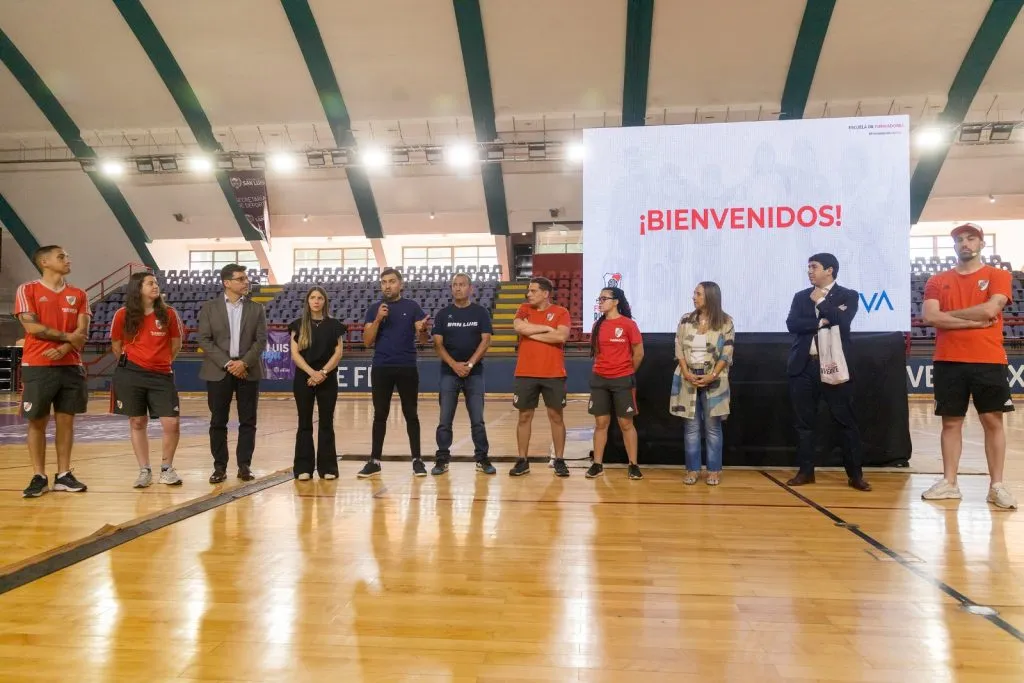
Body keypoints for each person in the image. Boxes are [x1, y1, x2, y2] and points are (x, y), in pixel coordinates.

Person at [920, 223, 1016, 508]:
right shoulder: (937, 280)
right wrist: (973, 321)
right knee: (950, 422)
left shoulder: (998, 275)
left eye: (971, 238)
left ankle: (996, 485)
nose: (965, 243)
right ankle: (950, 483)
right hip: (948, 360)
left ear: (981, 244)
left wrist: (949, 317)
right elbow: (930, 317)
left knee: (992, 421)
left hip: (988, 359)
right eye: (960, 239)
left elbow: (990, 310)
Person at [785, 253, 871, 491]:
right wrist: (819, 322)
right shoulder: (801, 296)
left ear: (829, 270)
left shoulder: (848, 295)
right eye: (808, 267)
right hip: (804, 366)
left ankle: (855, 476)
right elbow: (792, 324)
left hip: (835, 366)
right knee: (804, 423)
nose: (809, 271)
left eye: (814, 267)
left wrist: (822, 303)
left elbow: (842, 321)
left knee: (845, 422)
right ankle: (806, 472)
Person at [14, 245, 90, 498]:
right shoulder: (27, 290)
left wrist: (66, 347)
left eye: (67, 256)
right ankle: (39, 475)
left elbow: (83, 334)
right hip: (38, 365)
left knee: (66, 422)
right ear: (44, 262)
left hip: (70, 365)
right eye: (62, 256)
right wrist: (68, 338)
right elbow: (33, 328)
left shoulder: (79, 294)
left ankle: (64, 475)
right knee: (37, 422)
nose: (68, 259)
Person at [110, 272, 184, 488]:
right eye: (150, 283)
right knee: (137, 421)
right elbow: (116, 345)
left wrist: (160, 362)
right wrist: (134, 362)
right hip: (130, 374)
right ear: (137, 288)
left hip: (161, 374)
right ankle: (144, 470)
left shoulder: (169, 313)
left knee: (171, 422)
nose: (155, 286)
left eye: (156, 283)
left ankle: (167, 468)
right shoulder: (122, 315)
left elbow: (176, 344)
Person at [197, 264, 268, 484]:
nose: (246, 282)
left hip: (248, 371)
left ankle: (244, 466)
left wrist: (244, 363)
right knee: (218, 421)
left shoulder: (257, 309)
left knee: (248, 421)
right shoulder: (209, 308)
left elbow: (261, 340)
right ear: (227, 283)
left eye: (246, 279)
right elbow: (204, 339)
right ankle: (219, 467)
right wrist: (228, 363)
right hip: (219, 371)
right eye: (241, 279)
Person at [358, 267, 431, 478]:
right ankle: (374, 461)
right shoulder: (374, 309)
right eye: (383, 282)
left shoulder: (412, 306)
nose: (387, 286)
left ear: (401, 284)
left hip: (407, 366)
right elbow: (367, 341)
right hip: (381, 367)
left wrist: (423, 330)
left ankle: (417, 460)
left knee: (411, 414)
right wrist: (379, 319)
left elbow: (424, 341)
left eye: (391, 281)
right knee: (380, 415)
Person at [670, 282, 735, 485]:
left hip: (714, 379)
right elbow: (679, 347)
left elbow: (727, 352)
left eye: (698, 294)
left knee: (712, 426)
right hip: (687, 377)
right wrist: (687, 372)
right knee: (691, 427)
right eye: (694, 293)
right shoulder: (686, 320)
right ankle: (692, 469)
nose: (694, 297)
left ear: (709, 296)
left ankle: (714, 470)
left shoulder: (725, 321)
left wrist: (713, 374)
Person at [431, 273, 495, 475]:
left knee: (477, 419)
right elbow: (438, 344)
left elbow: (485, 341)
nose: (457, 288)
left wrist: (469, 364)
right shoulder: (443, 314)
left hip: (474, 373)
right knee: (444, 420)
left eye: (462, 285)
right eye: (454, 285)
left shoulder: (480, 312)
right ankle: (442, 459)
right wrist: (454, 365)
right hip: (449, 374)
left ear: (470, 288)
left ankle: (482, 459)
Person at [509, 277, 571, 477]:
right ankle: (522, 460)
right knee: (524, 416)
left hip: (553, 373)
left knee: (556, 417)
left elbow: (560, 337)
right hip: (526, 373)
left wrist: (531, 332)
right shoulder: (524, 308)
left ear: (545, 293)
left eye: (533, 291)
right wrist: (545, 329)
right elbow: (519, 327)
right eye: (529, 291)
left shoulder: (561, 312)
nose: (529, 294)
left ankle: (559, 460)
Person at [586, 287, 644, 480]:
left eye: (604, 298)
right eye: (599, 298)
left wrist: (626, 371)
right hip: (600, 379)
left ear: (616, 301)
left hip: (622, 379)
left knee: (626, 423)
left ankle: (633, 465)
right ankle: (597, 464)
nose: (600, 301)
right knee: (600, 423)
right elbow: (597, 352)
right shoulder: (597, 325)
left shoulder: (628, 324)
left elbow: (639, 353)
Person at [288, 286, 346, 480]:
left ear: (324, 301)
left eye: (320, 298)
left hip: (327, 378)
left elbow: (338, 353)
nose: (316, 301)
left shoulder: (334, 325)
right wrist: (311, 372)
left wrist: (322, 372)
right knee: (304, 422)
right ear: (308, 301)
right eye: (312, 297)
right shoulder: (298, 325)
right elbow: (295, 354)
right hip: (304, 377)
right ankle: (303, 468)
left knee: (326, 422)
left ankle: (328, 468)